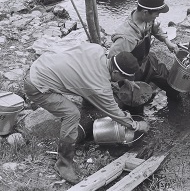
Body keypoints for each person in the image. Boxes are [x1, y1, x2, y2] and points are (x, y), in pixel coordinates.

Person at [24, 43, 149, 184]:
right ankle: (63, 164)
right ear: (115, 73)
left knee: (84, 84)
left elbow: (83, 67)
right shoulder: (100, 86)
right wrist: (137, 125)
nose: (121, 81)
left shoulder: (97, 49)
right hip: (36, 85)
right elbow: (115, 113)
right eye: (122, 77)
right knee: (72, 114)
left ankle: (88, 108)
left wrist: (126, 79)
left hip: (42, 64)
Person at [108, 0, 181, 102]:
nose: (157, 16)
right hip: (131, 71)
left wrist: (167, 41)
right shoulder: (126, 37)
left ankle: (175, 101)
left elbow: (155, 29)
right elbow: (112, 59)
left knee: (169, 83)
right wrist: (126, 80)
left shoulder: (147, 19)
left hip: (147, 61)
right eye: (156, 13)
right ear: (145, 12)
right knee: (136, 100)